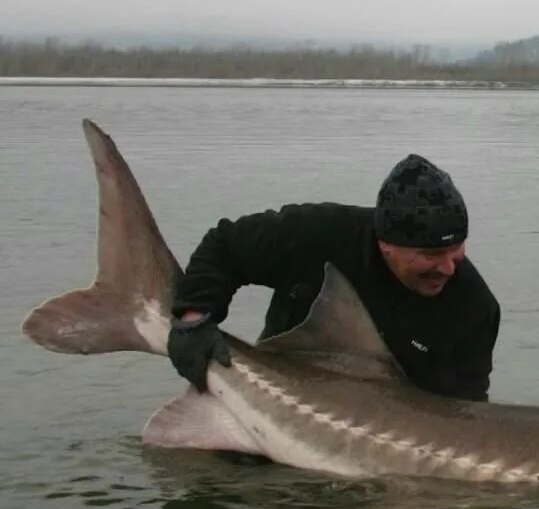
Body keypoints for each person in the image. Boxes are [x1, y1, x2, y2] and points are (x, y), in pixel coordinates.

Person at [164, 152, 501, 401]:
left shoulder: (474, 308)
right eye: (431, 255)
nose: (448, 268)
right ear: (385, 243)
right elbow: (225, 246)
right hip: (276, 388)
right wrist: (193, 318)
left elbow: (464, 407)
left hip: (382, 418)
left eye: (456, 249)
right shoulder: (319, 235)